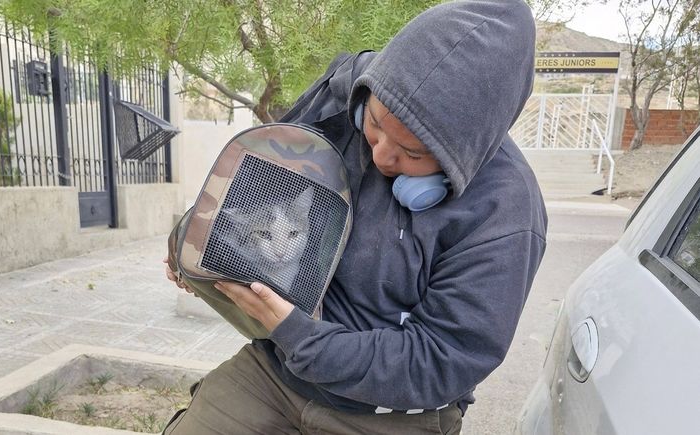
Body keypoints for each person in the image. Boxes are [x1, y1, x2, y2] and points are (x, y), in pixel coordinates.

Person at [163, 0, 546, 433]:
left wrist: (301, 336)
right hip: (277, 370)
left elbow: (443, 359)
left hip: (391, 411)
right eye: (376, 124)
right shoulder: (343, 99)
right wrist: (191, 244)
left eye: (412, 152)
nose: (380, 153)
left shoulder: (506, 210)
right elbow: (253, 188)